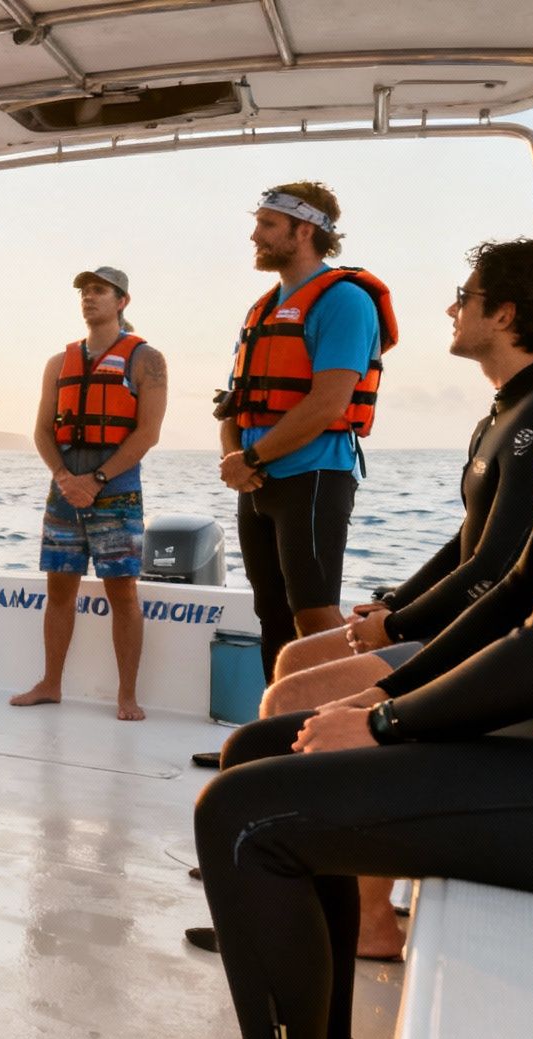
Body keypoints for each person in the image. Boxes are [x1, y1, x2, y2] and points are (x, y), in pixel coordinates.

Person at [130, 94, 533, 1039]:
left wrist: (389, 727)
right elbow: (514, 595)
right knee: (267, 748)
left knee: (250, 815)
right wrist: (381, 694)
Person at [212, 239, 533, 959]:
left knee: (298, 698)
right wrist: (391, 604)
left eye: (466, 297)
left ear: (504, 314)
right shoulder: (511, 405)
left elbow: (505, 568)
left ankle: (352, 913)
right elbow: (466, 543)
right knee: (295, 656)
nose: (451, 308)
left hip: (495, 644)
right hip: (467, 619)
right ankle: (319, 882)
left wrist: (401, 624)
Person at [217, 183, 398, 679]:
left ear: (305, 230)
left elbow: (328, 403)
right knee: (270, 612)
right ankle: (274, 736)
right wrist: (235, 458)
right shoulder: (264, 308)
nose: (255, 234)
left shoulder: (344, 301)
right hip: (256, 481)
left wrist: (250, 461)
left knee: (315, 614)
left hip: (314, 475)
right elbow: (234, 399)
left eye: (267, 224)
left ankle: (342, 729)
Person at [10, 266, 168, 721]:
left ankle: (127, 696)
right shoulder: (59, 363)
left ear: (122, 301)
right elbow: (41, 430)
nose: (89, 297)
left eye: (99, 290)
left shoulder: (146, 359)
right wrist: (64, 477)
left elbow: (148, 433)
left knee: (123, 594)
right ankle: (50, 684)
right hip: (64, 488)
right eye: (83, 291)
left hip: (115, 491)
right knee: (59, 589)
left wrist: (95, 481)